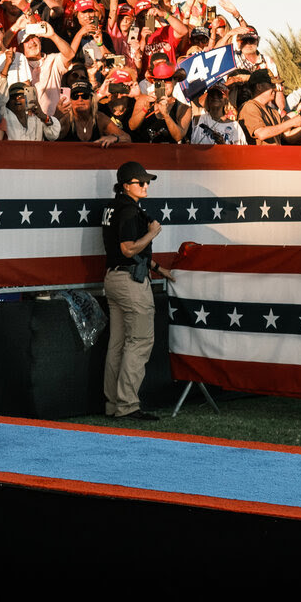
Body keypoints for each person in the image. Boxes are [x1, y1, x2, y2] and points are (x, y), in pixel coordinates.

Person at [101, 160, 174, 421]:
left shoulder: (113, 207)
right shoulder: (130, 211)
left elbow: (128, 252)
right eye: (140, 182)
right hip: (130, 283)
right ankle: (127, 405)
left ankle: (113, 404)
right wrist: (153, 233)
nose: (145, 186)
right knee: (140, 341)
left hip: (113, 279)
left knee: (117, 344)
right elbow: (128, 249)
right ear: (125, 186)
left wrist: (157, 267)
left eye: (147, 182)